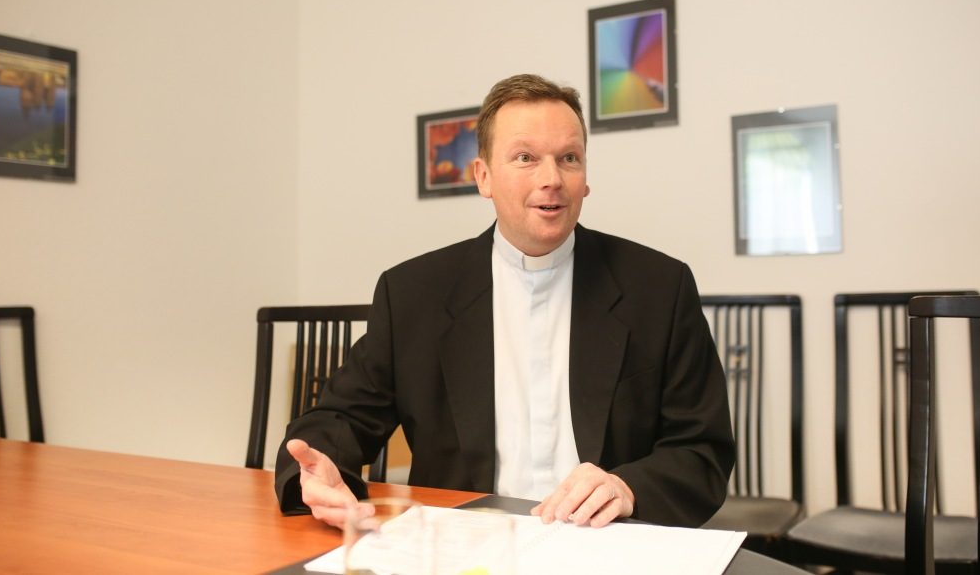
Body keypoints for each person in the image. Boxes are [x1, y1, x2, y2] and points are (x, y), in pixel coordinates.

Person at [275, 73, 734, 530]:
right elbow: (338, 419)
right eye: (525, 158)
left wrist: (628, 487)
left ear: (585, 178)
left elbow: (702, 450)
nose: (552, 179)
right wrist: (315, 472)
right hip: (464, 545)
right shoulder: (413, 294)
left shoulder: (660, 287)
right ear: (484, 177)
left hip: (608, 542)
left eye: (569, 158)